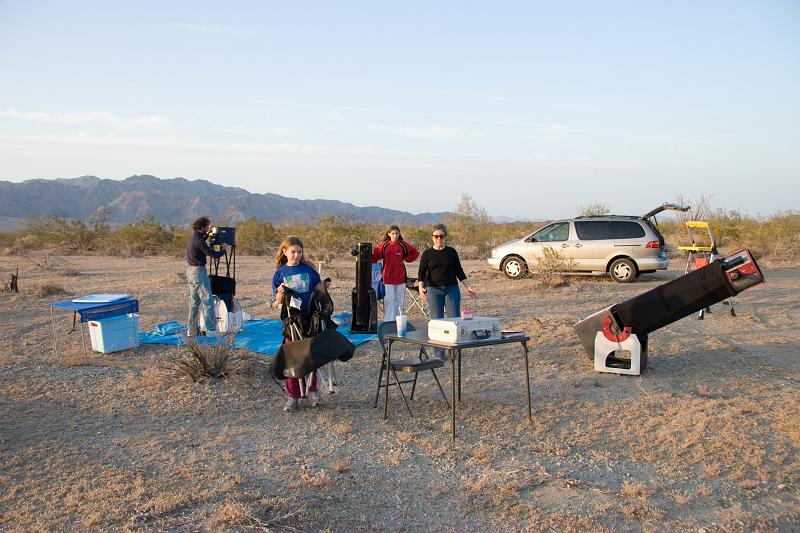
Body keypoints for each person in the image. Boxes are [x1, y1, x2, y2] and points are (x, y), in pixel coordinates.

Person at [272, 236, 323, 412]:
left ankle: (314, 391)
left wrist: (324, 288)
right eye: (293, 252)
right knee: (293, 357)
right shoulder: (280, 272)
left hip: (309, 318)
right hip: (291, 320)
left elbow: (319, 291)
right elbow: (277, 301)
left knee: (311, 356)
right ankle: (292, 396)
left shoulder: (309, 270)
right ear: (285, 252)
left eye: (299, 252)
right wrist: (280, 293)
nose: (296, 255)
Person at [417, 224, 478, 356]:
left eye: (442, 236)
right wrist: (421, 287)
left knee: (453, 320)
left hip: (451, 289)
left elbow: (459, 271)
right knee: (437, 321)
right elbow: (421, 273)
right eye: (436, 236)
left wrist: (468, 287)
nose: (439, 239)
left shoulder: (451, 252)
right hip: (433, 290)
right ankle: (439, 353)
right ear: (432, 238)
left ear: (445, 237)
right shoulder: (427, 254)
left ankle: (453, 351)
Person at [186, 216, 226, 337]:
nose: (209, 228)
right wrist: (224, 250)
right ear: (202, 227)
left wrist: (208, 234)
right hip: (198, 272)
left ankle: (191, 330)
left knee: (194, 302)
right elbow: (212, 253)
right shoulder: (199, 241)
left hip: (190, 271)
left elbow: (201, 241)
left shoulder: (193, 237)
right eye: (208, 226)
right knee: (207, 300)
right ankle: (211, 330)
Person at [372, 225, 419, 323]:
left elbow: (415, 253)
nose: (395, 235)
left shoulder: (403, 245)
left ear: (399, 234)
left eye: (397, 233)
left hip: (400, 278)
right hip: (387, 278)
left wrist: (406, 258)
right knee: (389, 300)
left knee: (399, 301)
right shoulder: (384, 245)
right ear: (388, 234)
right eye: (393, 233)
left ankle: (398, 321)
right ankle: (388, 321)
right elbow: (374, 256)